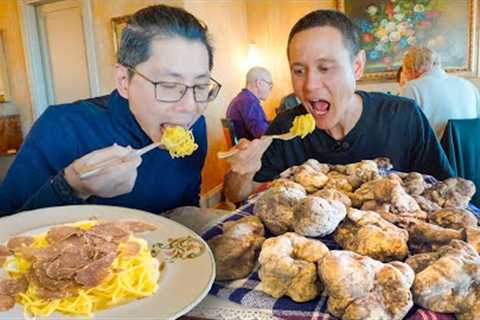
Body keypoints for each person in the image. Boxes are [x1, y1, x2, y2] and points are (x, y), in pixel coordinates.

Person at [0, 4, 221, 215]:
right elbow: (6, 230)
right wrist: (71, 187)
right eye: (169, 86)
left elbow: (186, 205)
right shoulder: (60, 128)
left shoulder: (195, 128)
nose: (191, 107)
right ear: (124, 80)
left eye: (201, 87)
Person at [223, 10, 454, 203]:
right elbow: (236, 196)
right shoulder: (285, 127)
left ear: (357, 67)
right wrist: (242, 170)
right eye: (299, 71)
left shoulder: (403, 117)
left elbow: (446, 191)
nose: (310, 86)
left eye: (325, 68)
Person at [401, 46, 480, 139]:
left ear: (412, 69)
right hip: (470, 152)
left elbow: (404, 130)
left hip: (434, 151)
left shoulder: (412, 87)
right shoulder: (468, 85)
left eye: (405, 71)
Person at [226, 66, 272, 140]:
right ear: (259, 83)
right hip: (252, 150)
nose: (270, 89)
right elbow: (264, 134)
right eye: (270, 85)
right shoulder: (249, 102)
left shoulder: (242, 99)